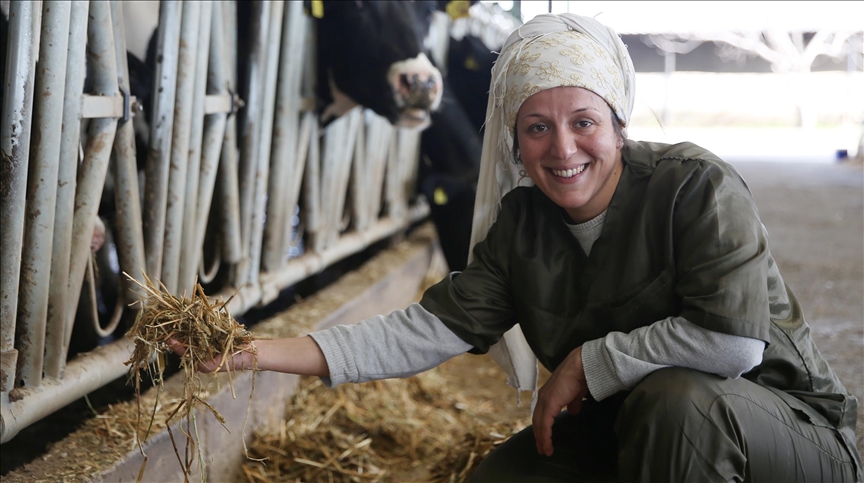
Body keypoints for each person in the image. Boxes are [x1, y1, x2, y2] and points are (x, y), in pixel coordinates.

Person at [181, 13, 862, 482]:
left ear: (619, 124)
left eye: (583, 121)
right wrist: (254, 353)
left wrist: (591, 362)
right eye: (536, 127)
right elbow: (421, 332)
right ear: (513, 138)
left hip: (785, 435)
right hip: (638, 435)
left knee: (678, 401)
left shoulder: (696, 187)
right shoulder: (524, 224)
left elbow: (735, 346)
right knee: (504, 474)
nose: (562, 149)